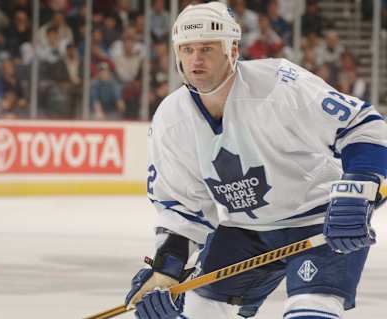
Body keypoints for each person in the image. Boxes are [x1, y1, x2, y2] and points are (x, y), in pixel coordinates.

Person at [124, 2, 387, 319]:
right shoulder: (171, 118)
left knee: (312, 310)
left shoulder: (279, 83)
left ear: (232, 50)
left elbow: (361, 124)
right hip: (243, 230)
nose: (196, 59)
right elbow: (182, 208)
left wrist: (358, 186)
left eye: (207, 48)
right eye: (187, 49)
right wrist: (167, 268)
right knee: (197, 312)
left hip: (320, 221)